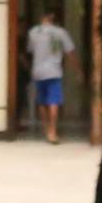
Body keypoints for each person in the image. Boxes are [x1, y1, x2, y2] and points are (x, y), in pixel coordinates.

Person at [24, 10, 76, 144]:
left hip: (38, 71)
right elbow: (70, 52)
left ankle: (47, 129)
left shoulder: (33, 32)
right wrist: (78, 70)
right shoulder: (60, 33)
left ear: (42, 17)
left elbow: (30, 50)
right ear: (53, 18)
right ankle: (53, 131)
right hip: (54, 71)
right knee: (53, 101)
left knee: (42, 102)